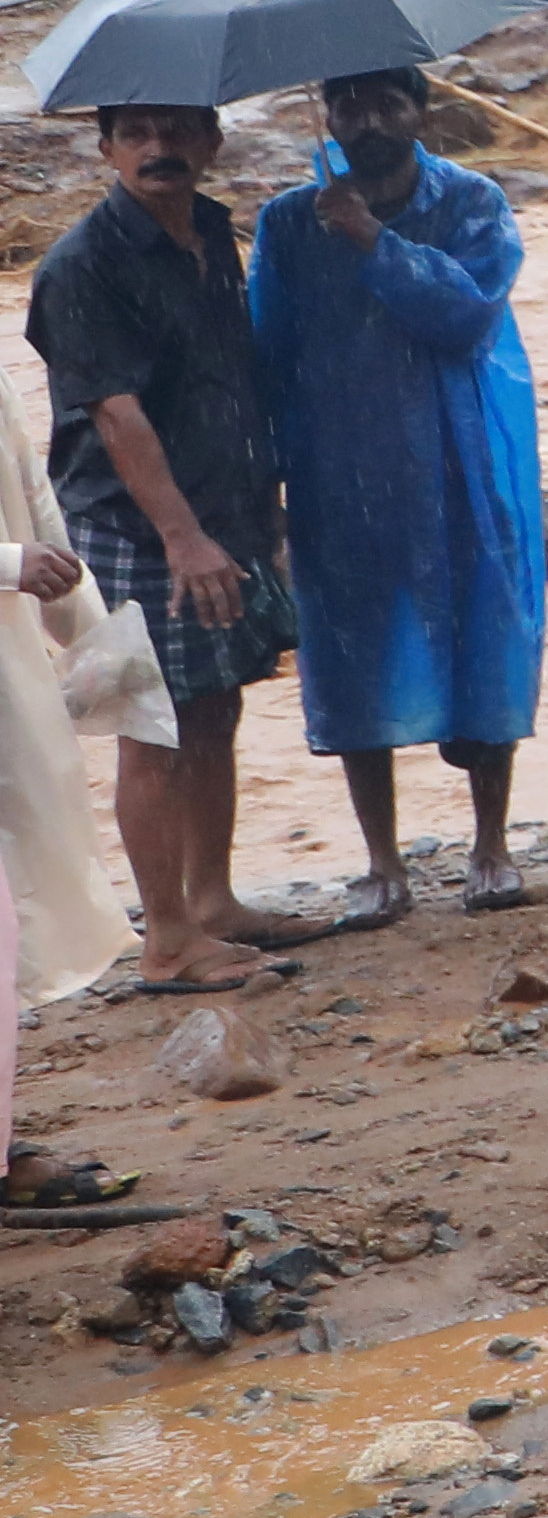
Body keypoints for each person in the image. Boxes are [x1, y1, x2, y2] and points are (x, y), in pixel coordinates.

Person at [246, 66, 544, 923]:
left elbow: (469, 311)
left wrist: (377, 241)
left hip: (463, 458)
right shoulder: (287, 223)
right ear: (327, 112)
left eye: (388, 102)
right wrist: (266, 484)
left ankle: (490, 846)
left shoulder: (473, 202)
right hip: (339, 466)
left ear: (423, 109)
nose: (367, 120)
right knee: (351, 652)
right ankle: (381, 863)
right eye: (349, 103)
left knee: (486, 634)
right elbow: (267, 352)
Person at [25, 102, 304, 989]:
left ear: (213, 141)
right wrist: (182, 539)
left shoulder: (214, 234)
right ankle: (168, 939)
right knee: (153, 724)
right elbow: (114, 411)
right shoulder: (83, 265)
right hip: (133, 526)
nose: (160, 148)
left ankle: (213, 900)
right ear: (105, 149)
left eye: (179, 129)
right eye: (137, 132)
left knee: (217, 704)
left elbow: (234, 376)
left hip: (223, 508)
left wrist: (266, 514)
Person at [0, 336, 116, 1159]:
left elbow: (35, 499)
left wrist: (96, 643)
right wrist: (11, 563)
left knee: (16, 911)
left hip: (13, 676)